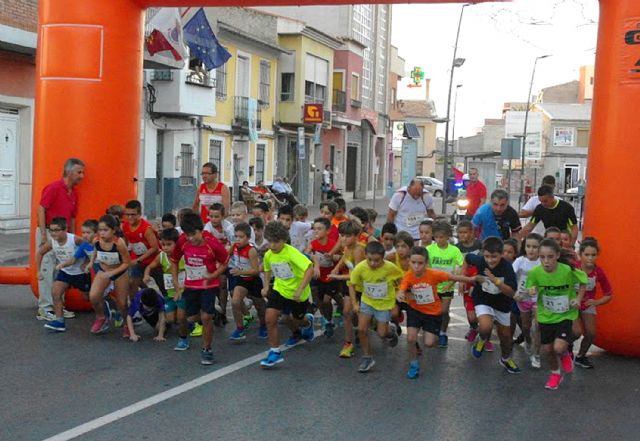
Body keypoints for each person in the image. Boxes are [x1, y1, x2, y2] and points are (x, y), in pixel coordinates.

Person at [398, 246, 477, 379]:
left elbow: (453, 277)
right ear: (409, 262)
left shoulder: (433, 274)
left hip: (432, 313)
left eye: (420, 263)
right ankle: (414, 364)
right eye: (413, 262)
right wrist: (400, 294)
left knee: (429, 343)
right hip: (415, 310)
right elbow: (402, 288)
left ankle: (428, 340)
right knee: (411, 338)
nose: (416, 266)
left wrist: (472, 280)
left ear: (427, 262)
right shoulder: (408, 275)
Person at [525, 238, 588, 390]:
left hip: (565, 314)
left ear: (558, 255)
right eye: (542, 257)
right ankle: (555, 373)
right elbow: (529, 287)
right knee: (548, 350)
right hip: (546, 316)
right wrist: (531, 290)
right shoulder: (535, 272)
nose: (546, 261)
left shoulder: (567, 270)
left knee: (558, 347)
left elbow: (584, 281)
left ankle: (565, 353)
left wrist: (578, 298)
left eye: (550, 257)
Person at [171, 212, 228, 365]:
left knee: (205, 317)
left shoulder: (212, 243)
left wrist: (213, 274)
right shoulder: (182, 241)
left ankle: (206, 349)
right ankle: (213, 312)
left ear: (201, 230)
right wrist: (176, 282)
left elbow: (225, 262)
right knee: (191, 318)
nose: (190, 238)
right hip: (191, 285)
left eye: (193, 234)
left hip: (208, 285)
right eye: (187, 234)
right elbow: (174, 260)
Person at [259, 221, 315, 369]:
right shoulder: (269, 255)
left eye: (276, 242)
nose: (272, 245)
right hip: (280, 290)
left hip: (298, 294)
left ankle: (307, 322)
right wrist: (265, 287)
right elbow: (267, 269)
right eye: (269, 241)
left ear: (283, 240)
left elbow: (310, 268)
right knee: (270, 318)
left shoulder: (292, 253)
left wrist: (300, 289)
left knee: (295, 320)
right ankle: (275, 352)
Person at [36, 158, 85, 322]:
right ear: (68, 172)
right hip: (50, 232)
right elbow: (41, 208)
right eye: (79, 172)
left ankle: (57, 307)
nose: (82, 176)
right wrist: (44, 234)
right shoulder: (54, 187)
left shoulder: (74, 193)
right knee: (47, 268)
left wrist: (71, 236)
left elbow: (72, 217)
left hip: (64, 236)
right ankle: (45, 308)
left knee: (61, 270)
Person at [466, 237, 521, 374]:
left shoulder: (507, 268)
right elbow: (467, 258)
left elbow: (511, 292)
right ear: (483, 254)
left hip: (502, 303)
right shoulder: (479, 260)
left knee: (506, 337)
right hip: (483, 299)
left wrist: (496, 281)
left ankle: (505, 359)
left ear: (501, 254)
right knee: (485, 326)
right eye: (487, 256)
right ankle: (482, 339)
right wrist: (463, 277)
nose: (490, 260)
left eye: (494, 257)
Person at [349, 241, 403, 373]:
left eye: (377, 261)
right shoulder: (360, 268)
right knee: (362, 330)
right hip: (367, 302)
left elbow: (401, 279)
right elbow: (352, 284)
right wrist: (355, 303)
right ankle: (367, 357)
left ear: (383, 257)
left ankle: (391, 332)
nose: (373, 263)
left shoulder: (390, 268)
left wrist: (398, 291)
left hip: (384, 304)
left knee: (382, 333)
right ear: (365, 256)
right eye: (370, 260)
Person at [36, 217, 91, 332]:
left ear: (65, 229)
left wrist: (86, 262)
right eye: (51, 230)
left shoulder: (75, 240)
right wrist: (38, 271)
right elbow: (40, 253)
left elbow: (89, 247)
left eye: (57, 230)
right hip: (65, 272)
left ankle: (109, 308)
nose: (53, 233)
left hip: (80, 273)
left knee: (89, 298)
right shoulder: (52, 242)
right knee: (55, 293)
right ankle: (59, 321)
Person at [328, 220, 366, 358]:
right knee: (346, 312)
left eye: (347, 236)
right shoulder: (348, 247)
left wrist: (336, 276)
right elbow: (344, 257)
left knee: (361, 316)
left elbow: (355, 275)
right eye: (342, 235)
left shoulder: (359, 250)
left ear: (357, 236)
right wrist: (337, 268)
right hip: (351, 285)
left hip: (363, 287)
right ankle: (348, 343)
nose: (343, 239)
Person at [88, 214, 131, 335]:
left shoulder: (119, 243)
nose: (102, 233)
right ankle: (101, 317)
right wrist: (91, 262)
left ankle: (127, 324)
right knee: (93, 296)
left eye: (105, 230)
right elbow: (95, 251)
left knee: (122, 303)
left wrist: (113, 272)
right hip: (104, 270)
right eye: (100, 230)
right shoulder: (96, 240)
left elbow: (127, 263)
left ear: (113, 230)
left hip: (119, 272)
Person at [574, 238, 613, 369]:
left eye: (593, 255)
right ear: (581, 255)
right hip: (571, 303)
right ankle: (566, 348)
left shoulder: (598, 272)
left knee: (591, 333)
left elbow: (609, 294)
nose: (590, 258)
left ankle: (580, 356)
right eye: (587, 255)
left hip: (587, 304)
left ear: (597, 255)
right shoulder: (573, 267)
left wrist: (596, 302)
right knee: (575, 332)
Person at [426, 221, 464, 348]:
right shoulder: (429, 249)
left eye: (441, 237)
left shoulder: (454, 250)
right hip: (432, 286)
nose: (438, 240)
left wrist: (453, 281)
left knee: (444, 311)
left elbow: (461, 266)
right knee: (431, 311)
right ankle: (433, 329)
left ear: (448, 236)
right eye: (436, 237)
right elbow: (425, 267)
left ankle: (442, 332)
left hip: (447, 286)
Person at [228, 222, 267, 342]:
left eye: (241, 237)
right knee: (235, 302)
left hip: (253, 280)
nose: (238, 239)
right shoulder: (234, 246)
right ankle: (240, 329)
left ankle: (263, 325)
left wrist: (240, 272)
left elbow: (256, 271)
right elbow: (226, 257)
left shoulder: (251, 250)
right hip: (242, 279)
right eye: (236, 236)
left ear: (248, 238)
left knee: (259, 305)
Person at [142, 228, 185, 329]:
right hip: (169, 292)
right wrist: (146, 275)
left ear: (177, 244)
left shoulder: (183, 256)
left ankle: (195, 321)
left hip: (183, 291)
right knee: (170, 320)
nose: (165, 248)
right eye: (163, 244)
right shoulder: (161, 256)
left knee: (180, 318)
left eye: (169, 245)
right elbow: (149, 266)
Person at [512, 233, 543, 368]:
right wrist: (514, 294)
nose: (531, 250)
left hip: (538, 299)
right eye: (528, 246)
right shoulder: (520, 261)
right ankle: (528, 340)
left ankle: (536, 355)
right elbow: (511, 278)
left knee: (538, 327)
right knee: (526, 327)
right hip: (522, 298)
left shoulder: (542, 262)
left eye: (535, 247)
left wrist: (537, 288)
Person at [307, 217, 341, 337]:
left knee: (327, 300)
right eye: (315, 229)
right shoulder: (313, 244)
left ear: (327, 231)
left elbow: (342, 257)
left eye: (319, 229)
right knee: (318, 300)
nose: (316, 231)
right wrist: (313, 260)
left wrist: (333, 257)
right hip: (317, 276)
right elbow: (306, 254)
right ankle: (327, 320)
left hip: (331, 276)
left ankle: (331, 318)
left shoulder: (333, 244)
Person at [455, 220, 484, 344]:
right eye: (460, 233)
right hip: (465, 280)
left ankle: (484, 334)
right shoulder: (456, 248)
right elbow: (457, 266)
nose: (462, 235)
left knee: (482, 308)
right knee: (470, 313)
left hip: (479, 279)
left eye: (465, 232)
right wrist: (460, 279)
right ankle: (473, 327)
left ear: (472, 232)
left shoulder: (480, 245)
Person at [122, 200, 159, 296]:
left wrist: (139, 259)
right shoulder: (125, 226)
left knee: (163, 287)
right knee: (132, 285)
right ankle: (134, 308)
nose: (130, 217)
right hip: (137, 261)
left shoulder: (146, 228)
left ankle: (157, 300)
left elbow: (155, 247)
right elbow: (126, 244)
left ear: (139, 214)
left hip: (153, 261)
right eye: (128, 214)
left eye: (133, 214)